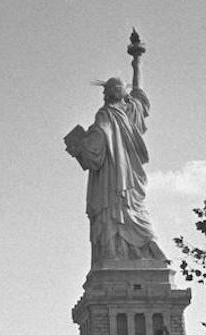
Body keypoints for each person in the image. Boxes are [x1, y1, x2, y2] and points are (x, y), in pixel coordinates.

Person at [65, 44, 166, 266]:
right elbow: (139, 93)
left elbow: (97, 143)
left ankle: (117, 254)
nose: (104, 95)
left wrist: (79, 146)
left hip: (114, 179)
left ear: (109, 94)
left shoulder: (107, 114)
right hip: (126, 176)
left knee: (113, 213)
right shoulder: (131, 113)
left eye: (105, 91)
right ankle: (149, 251)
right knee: (131, 213)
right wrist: (137, 62)